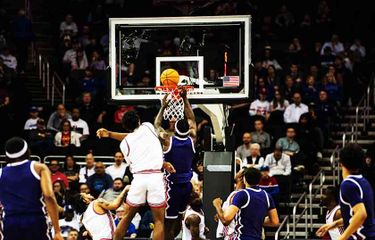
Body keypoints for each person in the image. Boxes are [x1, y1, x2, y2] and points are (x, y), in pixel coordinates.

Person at [96, 110, 171, 240]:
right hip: (155, 177)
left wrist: (109, 134)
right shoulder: (148, 126)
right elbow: (137, 136)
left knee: (126, 217)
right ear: (138, 120)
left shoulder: (124, 144)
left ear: (125, 126)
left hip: (139, 178)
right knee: (159, 221)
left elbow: (130, 142)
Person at [0, 137, 63, 240]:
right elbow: (49, 196)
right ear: (27, 151)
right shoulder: (39, 167)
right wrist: (57, 231)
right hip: (35, 219)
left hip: (10, 221)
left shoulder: (1, 173)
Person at [154, 89, 197, 240]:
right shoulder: (192, 138)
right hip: (187, 186)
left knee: (167, 224)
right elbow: (191, 119)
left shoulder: (168, 140)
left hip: (173, 186)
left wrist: (163, 107)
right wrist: (185, 99)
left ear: (175, 127)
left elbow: (157, 125)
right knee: (178, 219)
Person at [316, 144, 375, 239]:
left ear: (341, 163)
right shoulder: (364, 181)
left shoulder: (347, 184)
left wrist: (342, 238)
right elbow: (356, 216)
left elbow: (361, 214)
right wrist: (334, 224)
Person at [213, 167, 280, 239]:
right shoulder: (267, 196)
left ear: (244, 178)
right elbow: (275, 222)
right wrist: (254, 220)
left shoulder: (241, 194)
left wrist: (217, 205)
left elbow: (225, 220)